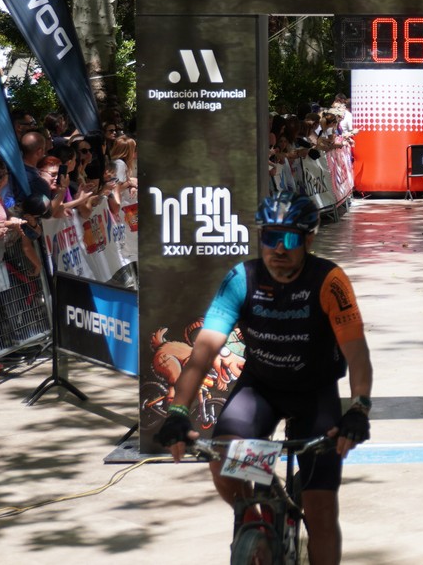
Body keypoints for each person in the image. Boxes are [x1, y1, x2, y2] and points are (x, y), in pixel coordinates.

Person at [156, 191, 373, 565]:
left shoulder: (329, 280)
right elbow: (203, 353)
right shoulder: (241, 279)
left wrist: (359, 408)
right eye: (270, 237)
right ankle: (258, 520)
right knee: (223, 460)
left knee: (321, 511)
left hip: (315, 393)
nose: (279, 248)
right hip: (261, 390)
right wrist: (177, 411)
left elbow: (357, 354)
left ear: (309, 239)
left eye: (290, 238)